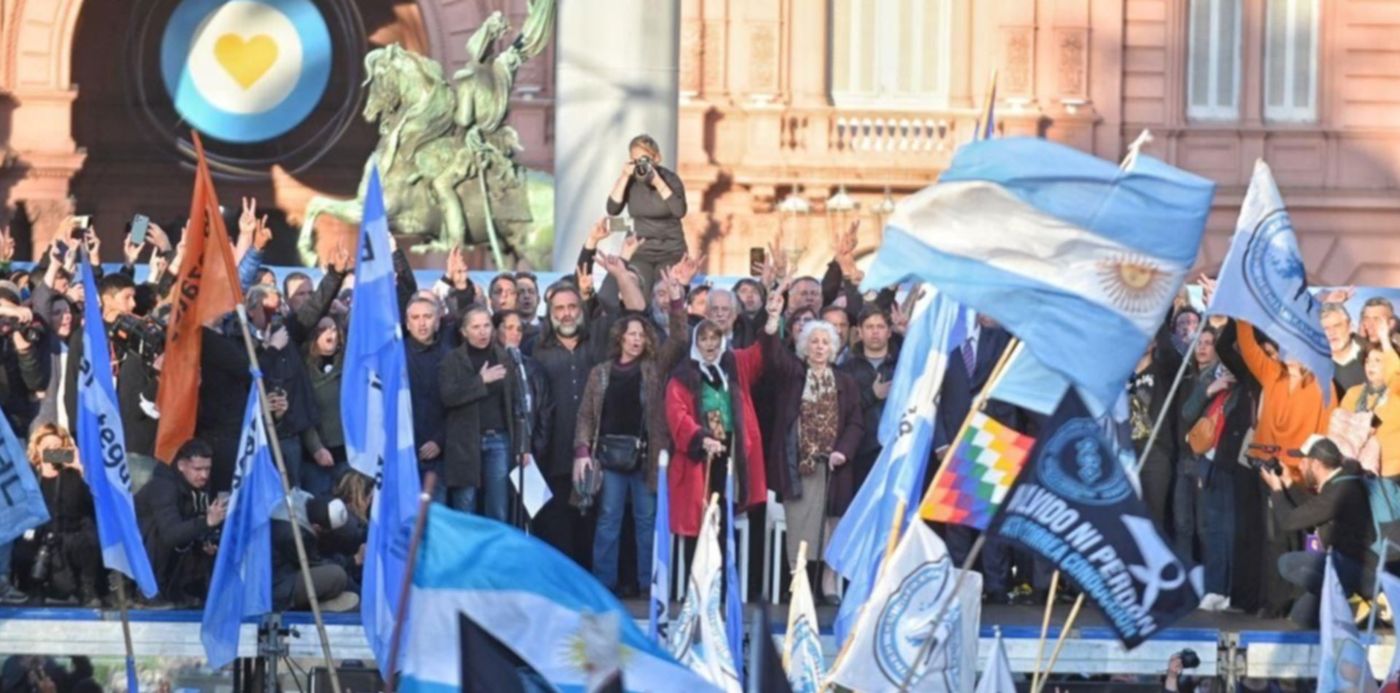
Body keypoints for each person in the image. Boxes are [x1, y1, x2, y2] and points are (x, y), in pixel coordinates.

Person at [574, 270, 688, 595]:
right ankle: (603, 584)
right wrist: (582, 452)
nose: (636, 339)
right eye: (631, 334)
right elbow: (585, 416)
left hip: (645, 458)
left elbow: (680, 339)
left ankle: (648, 585)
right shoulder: (601, 373)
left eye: (641, 335)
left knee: (646, 522)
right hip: (609, 458)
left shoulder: (655, 368)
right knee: (608, 522)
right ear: (620, 338)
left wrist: (677, 299)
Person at [664, 288, 777, 547]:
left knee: (725, 522)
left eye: (714, 338)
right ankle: (696, 585)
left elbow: (762, 353)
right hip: (700, 456)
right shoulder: (683, 374)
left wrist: (772, 320)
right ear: (696, 342)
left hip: (731, 452)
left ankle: (725, 585)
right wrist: (701, 439)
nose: (710, 344)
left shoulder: (735, 362)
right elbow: (677, 414)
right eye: (703, 339)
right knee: (698, 522)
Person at [765, 316, 863, 603]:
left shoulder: (846, 381)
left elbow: (856, 423)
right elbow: (773, 356)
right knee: (799, 523)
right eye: (814, 341)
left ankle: (828, 582)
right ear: (804, 347)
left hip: (835, 466)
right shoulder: (792, 375)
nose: (819, 347)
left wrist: (842, 451)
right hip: (800, 465)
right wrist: (772, 321)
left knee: (834, 524)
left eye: (825, 342)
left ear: (833, 348)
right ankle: (799, 580)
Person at [1261, 435, 1374, 628]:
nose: (1300, 467)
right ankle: (1351, 602)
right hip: (1350, 565)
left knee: (1287, 563)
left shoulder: (1341, 491)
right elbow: (1313, 511)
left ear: (1316, 464)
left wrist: (1276, 489)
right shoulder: (1342, 482)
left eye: (1303, 462)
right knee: (1301, 615)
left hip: (1364, 571)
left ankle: (1354, 600)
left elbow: (1289, 521)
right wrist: (1289, 484)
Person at [1175, 327, 1242, 612]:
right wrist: (1209, 389)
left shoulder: (1242, 385)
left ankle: (1226, 588)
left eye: (1209, 343)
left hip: (1228, 463)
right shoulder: (1204, 380)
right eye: (1198, 343)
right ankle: (1209, 587)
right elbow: (1188, 413)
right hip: (1201, 459)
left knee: (1218, 529)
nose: (1203, 348)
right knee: (1198, 526)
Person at [440, 305, 524, 519]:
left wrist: (524, 446)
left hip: (499, 440)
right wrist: (480, 381)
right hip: (465, 442)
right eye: (476, 327)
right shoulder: (452, 360)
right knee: (465, 506)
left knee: (498, 508)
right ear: (464, 331)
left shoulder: (505, 357)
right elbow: (448, 397)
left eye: (486, 325)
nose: (482, 331)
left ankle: (496, 553)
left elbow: (517, 404)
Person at [134, 438, 227, 607]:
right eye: (198, 469)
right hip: (140, 544)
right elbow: (170, 534)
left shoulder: (200, 485)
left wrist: (207, 540)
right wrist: (205, 523)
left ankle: (183, 592)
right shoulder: (163, 487)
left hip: (171, 551)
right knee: (161, 532)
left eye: (207, 469)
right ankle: (148, 593)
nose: (204, 475)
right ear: (181, 466)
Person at [17, 425, 101, 607]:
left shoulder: (73, 476)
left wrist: (81, 470)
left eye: (57, 447)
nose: (52, 452)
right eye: (47, 447)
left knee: (88, 540)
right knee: (23, 546)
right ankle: (32, 588)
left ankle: (87, 590)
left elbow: (91, 504)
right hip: (40, 536)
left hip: (69, 536)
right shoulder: (30, 476)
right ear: (37, 449)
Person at [605, 134, 687, 293]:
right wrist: (624, 176)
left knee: (664, 289)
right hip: (639, 250)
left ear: (656, 158)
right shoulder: (630, 181)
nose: (640, 166)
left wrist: (658, 182)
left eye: (644, 160)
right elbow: (612, 209)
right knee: (638, 288)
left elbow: (679, 211)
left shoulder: (670, 179)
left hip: (670, 250)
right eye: (635, 161)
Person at [840, 307, 898, 496]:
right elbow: (842, 410)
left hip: (895, 450)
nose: (875, 332)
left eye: (880, 326)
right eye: (869, 327)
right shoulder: (846, 369)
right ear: (860, 332)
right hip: (860, 453)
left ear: (889, 332)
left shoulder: (903, 364)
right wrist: (872, 395)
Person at [271, 496, 360, 612]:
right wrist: (354, 560)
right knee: (337, 576)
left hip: (286, 566)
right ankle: (310, 607)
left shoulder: (304, 499)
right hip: (277, 586)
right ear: (316, 527)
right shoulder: (295, 536)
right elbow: (318, 563)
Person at [405, 295, 450, 489]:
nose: (422, 323)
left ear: (438, 321)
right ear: (407, 324)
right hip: (402, 455)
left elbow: (458, 407)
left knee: (433, 516)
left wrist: (439, 441)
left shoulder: (451, 358)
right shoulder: (395, 357)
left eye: (427, 316)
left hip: (438, 458)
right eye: (415, 318)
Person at [1339, 337, 1400, 477]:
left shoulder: (1396, 392)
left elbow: (1397, 373)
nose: (1370, 365)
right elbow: (1342, 430)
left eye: (1378, 361)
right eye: (1367, 361)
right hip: (1357, 470)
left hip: (1393, 473)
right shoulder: (1353, 393)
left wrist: (1385, 339)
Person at [302, 317, 347, 477]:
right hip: (320, 456)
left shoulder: (349, 363)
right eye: (323, 329)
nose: (330, 333)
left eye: (333, 329)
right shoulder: (305, 369)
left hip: (350, 453)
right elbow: (303, 412)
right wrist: (316, 448)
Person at [1322, 302, 1367, 392]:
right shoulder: (1313, 365)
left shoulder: (1372, 355)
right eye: (1325, 328)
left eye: (1337, 326)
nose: (1331, 332)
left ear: (1349, 326)